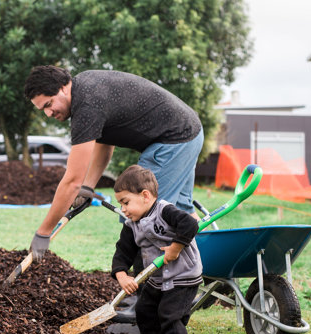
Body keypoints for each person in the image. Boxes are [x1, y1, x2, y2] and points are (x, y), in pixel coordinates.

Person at [23, 65, 203, 264]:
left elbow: (72, 180)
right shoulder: (85, 86)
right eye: (43, 110)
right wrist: (87, 187)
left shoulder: (86, 106)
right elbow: (105, 143)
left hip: (173, 141)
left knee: (141, 216)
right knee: (182, 213)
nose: (48, 113)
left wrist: (44, 232)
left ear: (63, 88)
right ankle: (208, 270)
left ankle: (148, 290)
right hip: (188, 132)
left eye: (49, 104)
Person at [111, 165, 202, 334]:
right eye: (120, 204)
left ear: (145, 195)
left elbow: (189, 224)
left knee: (170, 313)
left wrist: (176, 248)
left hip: (183, 275)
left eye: (126, 202)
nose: (123, 209)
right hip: (157, 277)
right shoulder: (131, 225)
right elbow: (122, 252)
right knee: (145, 310)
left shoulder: (165, 210)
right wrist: (121, 275)